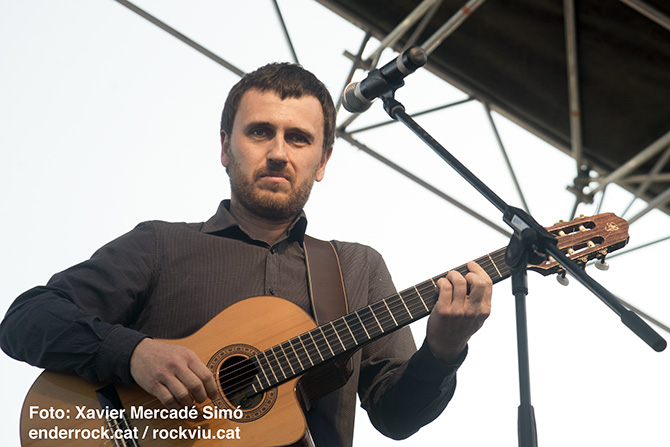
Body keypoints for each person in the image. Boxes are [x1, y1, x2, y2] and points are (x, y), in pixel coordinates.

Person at [0, 62, 492, 446]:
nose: (278, 152)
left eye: (298, 138)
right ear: (225, 148)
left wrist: (443, 350)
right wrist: (133, 354)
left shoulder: (356, 268)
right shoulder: (160, 245)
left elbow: (397, 418)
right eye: (260, 132)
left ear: (322, 161)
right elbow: (26, 319)